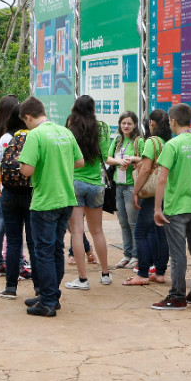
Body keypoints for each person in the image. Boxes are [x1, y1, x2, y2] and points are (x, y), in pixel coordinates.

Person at [17, 97, 83, 317]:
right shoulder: (65, 132)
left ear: (28, 117)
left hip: (45, 200)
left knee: (43, 251)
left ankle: (46, 302)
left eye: (25, 122)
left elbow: (26, 170)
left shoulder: (35, 135)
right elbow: (79, 162)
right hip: (66, 198)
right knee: (56, 249)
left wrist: (21, 160)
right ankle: (52, 295)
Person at [151, 103, 191, 310]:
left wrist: (158, 208)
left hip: (176, 208)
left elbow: (162, 179)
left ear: (172, 121)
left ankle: (177, 296)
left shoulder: (173, 146)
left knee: (177, 254)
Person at [64, 95, 113, 289]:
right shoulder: (102, 128)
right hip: (96, 183)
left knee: (77, 231)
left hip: (74, 182)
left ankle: (83, 279)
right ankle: (105, 274)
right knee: (97, 230)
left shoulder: (70, 129)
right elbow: (105, 154)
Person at [125, 110, 172, 286]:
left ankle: (143, 272)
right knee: (161, 234)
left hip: (152, 194)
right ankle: (160, 272)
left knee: (141, 232)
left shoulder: (152, 142)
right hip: (167, 192)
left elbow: (145, 170)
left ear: (152, 123)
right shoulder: (168, 142)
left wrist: (135, 191)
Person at [0, 106, 38, 300]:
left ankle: (10, 288)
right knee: (33, 242)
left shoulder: (6, 139)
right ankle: (39, 288)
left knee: (13, 241)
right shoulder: (37, 137)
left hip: (9, 194)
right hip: (32, 194)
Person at [0, 94, 29, 279]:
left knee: (1, 222)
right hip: (22, 186)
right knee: (17, 229)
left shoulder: (0, 134)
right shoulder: (23, 136)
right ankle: (19, 265)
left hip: (2, 184)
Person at [105, 111, 143, 269]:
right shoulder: (118, 140)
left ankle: (136, 255)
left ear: (135, 125)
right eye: (123, 123)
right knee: (123, 222)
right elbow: (107, 158)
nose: (126, 126)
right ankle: (126, 254)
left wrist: (132, 159)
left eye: (129, 123)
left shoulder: (138, 141)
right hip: (118, 185)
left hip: (132, 185)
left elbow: (145, 159)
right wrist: (119, 161)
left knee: (133, 222)